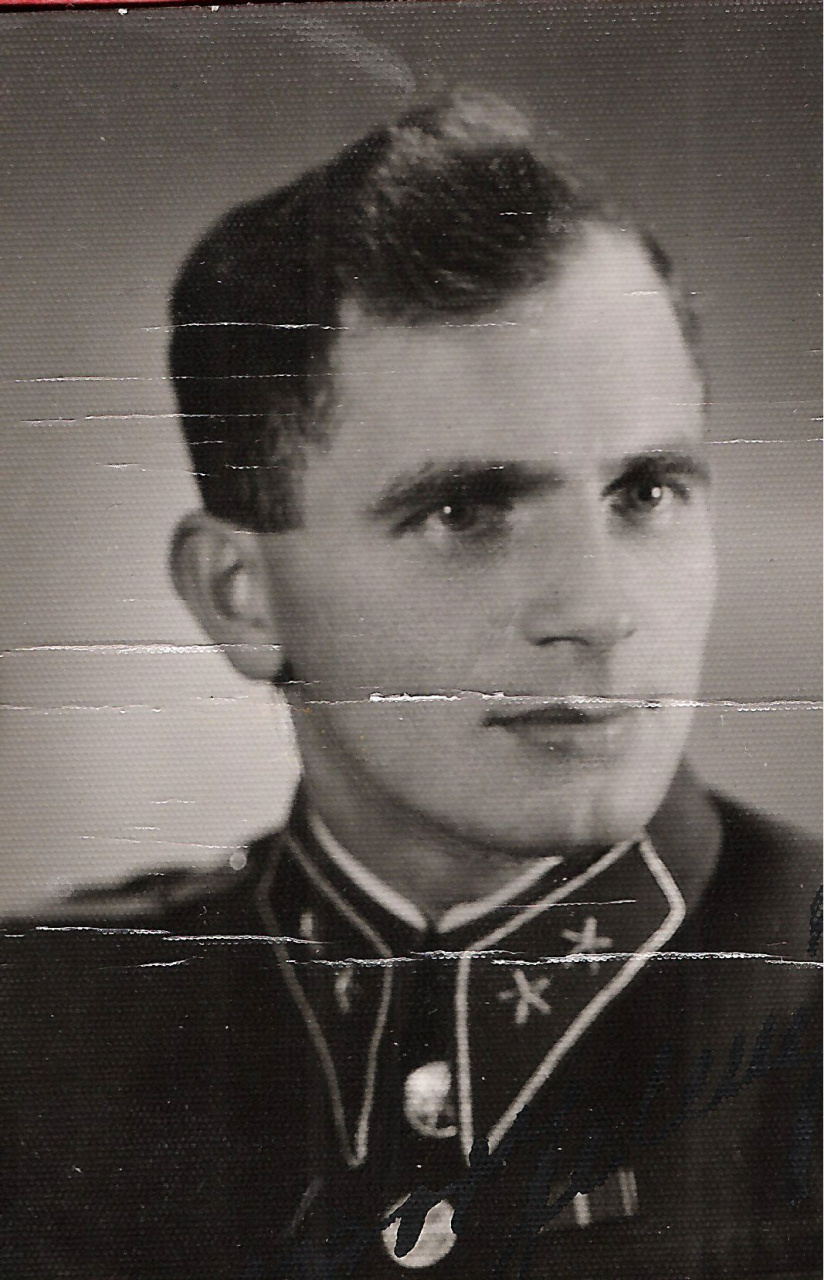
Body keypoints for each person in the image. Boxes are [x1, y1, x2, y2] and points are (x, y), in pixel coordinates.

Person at [2, 93, 820, 1280]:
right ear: (241, 595)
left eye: (644, 490)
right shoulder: (33, 1038)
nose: (596, 610)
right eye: (465, 509)